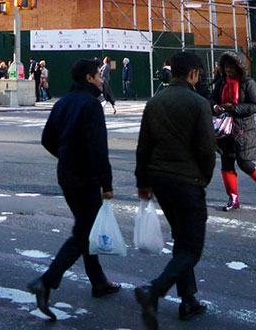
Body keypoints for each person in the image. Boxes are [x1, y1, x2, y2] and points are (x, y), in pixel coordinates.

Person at [27, 59, 120, 319]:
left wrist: (65, 155)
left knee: (86, 228)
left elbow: (47, 139)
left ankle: (98, 282)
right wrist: (107, 183)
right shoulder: (91, 105)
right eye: (99, 76)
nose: (102, 80)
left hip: (67, 175)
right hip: (86, 177)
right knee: (82, 233)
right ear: (89, 78)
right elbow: (99, 148)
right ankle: (47, 281)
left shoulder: (63, 102)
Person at [134, 51, 215, 325]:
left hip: (160, 180)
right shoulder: (199, 103)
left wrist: (142, 182)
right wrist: (204, 178)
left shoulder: (155, 102)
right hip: (187, 181)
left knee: (181, 239)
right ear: (193, 74)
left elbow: (143, 145)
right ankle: (153, 290)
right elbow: (207, 149)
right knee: (192, 248)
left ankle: (188, 300)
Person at [210, 51, 256, 211]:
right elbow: (212, 98)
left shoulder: (248, 83)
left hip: (243, 129)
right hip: (224, 129)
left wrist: (234, 108)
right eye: (226, 67)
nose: (228, 70)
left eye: (231, 67)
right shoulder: (221, 83)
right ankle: (233, 199)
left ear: (239, 67)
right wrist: (215, 107)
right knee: (226, 163)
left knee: (245, 163)